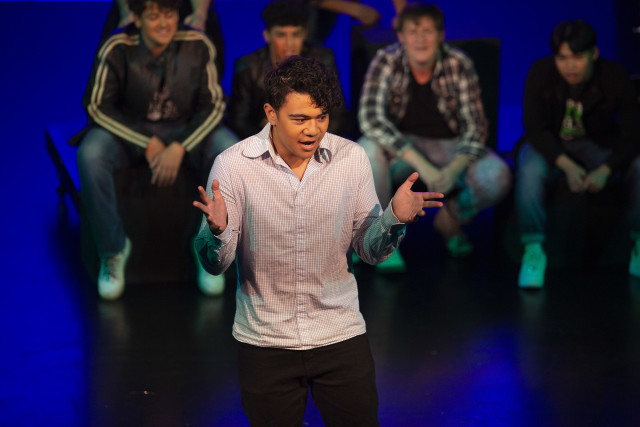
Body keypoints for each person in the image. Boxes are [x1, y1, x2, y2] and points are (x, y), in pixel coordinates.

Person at [193, 55, 443, 425]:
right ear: (271, 113)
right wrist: (218, 231)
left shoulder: (351, 159)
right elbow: (216, 265)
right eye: (300, 119)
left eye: (321, 117)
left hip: (339, 334)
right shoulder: (234, 165)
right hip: (266, 340)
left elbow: (370, 251)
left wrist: (393, 219)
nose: (313, 130)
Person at [76, 0, 236, 300]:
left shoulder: (198, 44)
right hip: (131, 131)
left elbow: (214, 106)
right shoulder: (117, 46)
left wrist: (180, 147)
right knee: (91, 154)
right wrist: (145, 142)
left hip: (182, 129)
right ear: (137, 19)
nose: (163, 24)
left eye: (169, 15)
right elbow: (97, 106)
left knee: (227, 148)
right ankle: (113, 250)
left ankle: (208, 244)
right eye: (153, 17)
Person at [357, 1, 511, 271]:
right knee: (366, 151)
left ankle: (450, 219)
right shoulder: (386, 60)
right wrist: (423, 165)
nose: (420, 40)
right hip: (403, 149)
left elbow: (476, 126)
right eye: (413, 32)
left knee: (497, 174)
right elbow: (371, 119)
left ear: (441, 35)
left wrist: (455, 168)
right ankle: (383, 237)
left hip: (449, 147)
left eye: (428, 31)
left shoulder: (457, 63)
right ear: (401, 36)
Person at [516, 19, 640, 288]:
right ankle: (533, 250)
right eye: (562, 58)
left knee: (638, 164)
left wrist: (606, 169)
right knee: (528, 165)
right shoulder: (541, 72)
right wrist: (568, 166)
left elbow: (632, 135)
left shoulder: (614, 77)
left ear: (594, 54)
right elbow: (534, 128)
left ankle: (639, 244)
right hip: (553, 143)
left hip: (598, 144)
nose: (569, 66)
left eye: (577, 57)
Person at [227, 0, 348, 141]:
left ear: (304, 34)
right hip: (263, 142)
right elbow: (238, 121)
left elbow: (337, 115)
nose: (289, 44)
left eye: (296, 35)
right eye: (281, 35)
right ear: (267, 36)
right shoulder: (248, 66)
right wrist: (272, 139)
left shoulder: (322, 60)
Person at [101, 0, 225, 82]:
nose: (162, 24)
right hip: (137, 5)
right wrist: (126, 12)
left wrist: (200, 14)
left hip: (187, 6)